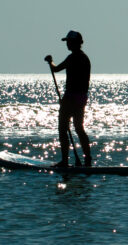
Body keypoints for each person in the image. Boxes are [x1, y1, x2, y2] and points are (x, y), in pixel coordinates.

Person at [45, 30, 92, 167]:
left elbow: (56, 69)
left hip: (71, 98)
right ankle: (88, 159)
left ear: (76, 43)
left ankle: (65, 161)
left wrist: (50, 61)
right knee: (79, 128)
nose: (67, 44)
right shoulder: (85, 58)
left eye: (69, 42)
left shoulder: (72, 58)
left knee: (62, 128)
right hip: (81, 98)